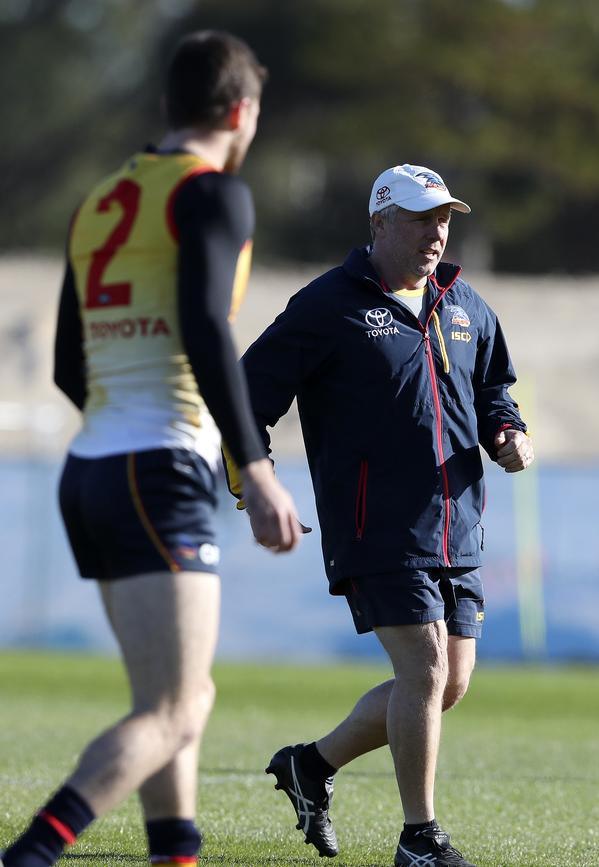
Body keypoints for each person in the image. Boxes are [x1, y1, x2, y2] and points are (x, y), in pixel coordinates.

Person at [1, 30, 303, 867]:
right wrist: (255, 467)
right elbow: (208, 327)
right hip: (157, 465)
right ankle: (29, 855)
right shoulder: (214, 194)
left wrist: (123, 423)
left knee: (174, 698)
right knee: (174, 707)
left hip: (94, 462)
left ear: (169, 106)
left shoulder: (100, 197)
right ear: (241, 113)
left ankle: (176, 852)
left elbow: (70, 361)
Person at [224, 164, 534, 867]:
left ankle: (311, 765)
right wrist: (257, 481)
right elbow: (244, 398)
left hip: (458, 524)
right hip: (375, 527)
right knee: (423, 668)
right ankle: (419, 836)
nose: (438, 232)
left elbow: (494, 390)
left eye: (445, 218)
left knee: (447, 683)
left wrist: (507, 432)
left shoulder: (467, 306)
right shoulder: (327, 305)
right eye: (423, 218)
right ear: (380, 224)